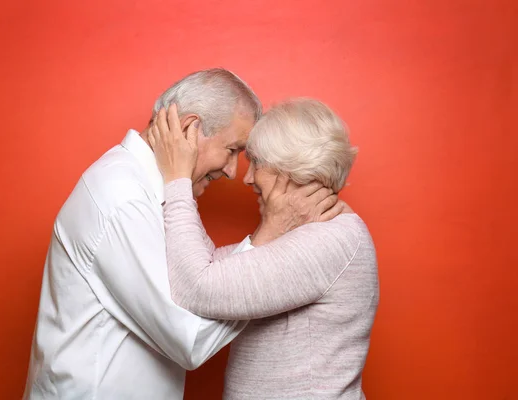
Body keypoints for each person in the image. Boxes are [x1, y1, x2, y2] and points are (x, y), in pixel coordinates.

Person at [22, 70, 341, 400]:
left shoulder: (153, 189)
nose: (233, 172)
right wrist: (269, 237)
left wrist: (267, 241)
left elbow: (203, 274)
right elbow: (190, 339)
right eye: (232, 149)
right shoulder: (123, 197)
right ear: (190, 129)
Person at [149, 98, 380, 399]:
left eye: (256, 163)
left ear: (291, 170)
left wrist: (177, 180)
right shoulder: (308, 233)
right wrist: (271, 229)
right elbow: (205, 267)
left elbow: (194, 288)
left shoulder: (330, 240)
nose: (247, 178)